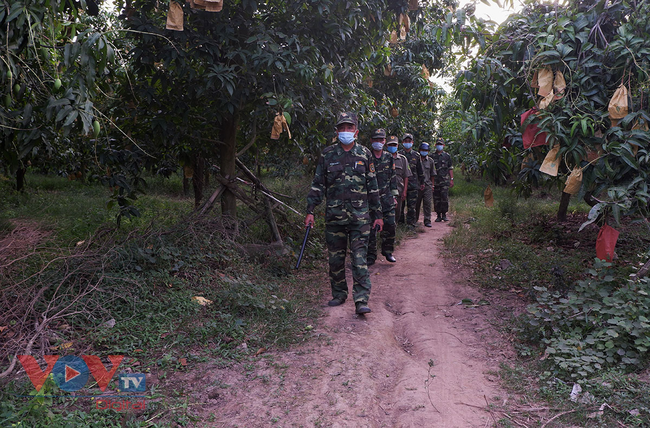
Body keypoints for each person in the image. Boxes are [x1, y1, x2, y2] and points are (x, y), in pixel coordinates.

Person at [305, 112, 384, 315]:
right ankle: (339, 294)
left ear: (356, 131)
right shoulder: (327, 154)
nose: (346, 131)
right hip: (334, 217)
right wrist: (310, 211)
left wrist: (378, 214)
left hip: (360, 218)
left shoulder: (365, 154)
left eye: (350, 128)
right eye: (342, 128)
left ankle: (361, 299)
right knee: (335, 259)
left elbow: (372, 186)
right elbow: (318, 184)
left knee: (359, 259)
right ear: (337, 131)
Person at [367, 130, 397, 265]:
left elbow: (393, 178)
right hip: (371, 200)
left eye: (381, 140)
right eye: (376, 140)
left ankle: (388, 251)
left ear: (384, 141)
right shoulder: (367, 157)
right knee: (370, 229)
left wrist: (394, 195)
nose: (378, 142)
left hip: (386, 198)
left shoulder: (389, 157)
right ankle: (370, 256)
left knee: (390, 225)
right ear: (371, 141)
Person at [399, 133, 425, 226]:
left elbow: (420, 170)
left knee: (412, 206)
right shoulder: (399, 155)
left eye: (409, 141)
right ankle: (400, 223)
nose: (407, 143)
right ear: (402, 142)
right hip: (401, 185)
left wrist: (422, 182)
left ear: (412, 142)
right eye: (405, 141)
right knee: (400, 206)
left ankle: (411, 224)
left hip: (413, 184)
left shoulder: (416, 155)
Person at [387, 136, 412, 226]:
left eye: (394, 144)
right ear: (386, 145)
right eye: (390, 145)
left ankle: (395, 227)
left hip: (398, 190)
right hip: (385, 191)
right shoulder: (383, 158)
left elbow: (406, 176)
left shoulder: (402, 159)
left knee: (398, 212)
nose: (392, 146)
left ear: (397, 145)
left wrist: (405, 191)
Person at [432, 138, 454, 222]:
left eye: (441, 144)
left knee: (444, 197)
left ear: (443, 145)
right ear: (435, 145)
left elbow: (450, 168)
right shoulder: (432, 156)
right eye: (438, 144)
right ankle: (438, 215)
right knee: (436, 198)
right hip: (435, 181)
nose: (439, 146)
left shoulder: (447, 156)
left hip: (444, 180)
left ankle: (444, 214)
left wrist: (451, 179)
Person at [415, 142, 437, 227]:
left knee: (427, 203)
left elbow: (432, 174)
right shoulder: (416, 159)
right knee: (416, 203)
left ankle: (427, 220)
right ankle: (415, 220)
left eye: (426, 150)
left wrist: (432, 185)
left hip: (427, 185)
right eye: (423, 150)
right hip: (417, 185)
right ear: (420, 150)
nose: (424, 151)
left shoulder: (430, 161)